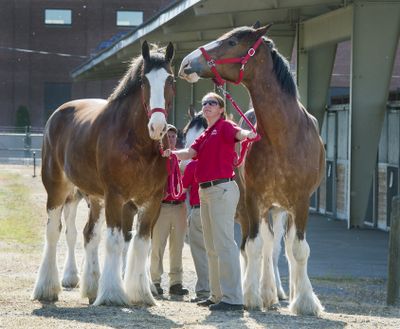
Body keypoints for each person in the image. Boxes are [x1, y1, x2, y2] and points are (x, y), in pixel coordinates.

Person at [162, 92, 256, 311]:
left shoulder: (225, 126)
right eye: (204, 103)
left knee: (224, 244)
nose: (207, 106)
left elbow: (239, 134)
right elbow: (190, 152)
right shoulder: (206, 133)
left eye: (212, 103)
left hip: (221, 189)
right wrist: (171, 153)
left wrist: (248, 134)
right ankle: (216, 295)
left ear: (221, 108)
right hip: (206, 192)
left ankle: (233, 298)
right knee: (211, 246)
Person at [150, 124, 189, 296]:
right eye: (168, 136)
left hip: (179, 206)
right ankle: (155, 281)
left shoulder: (181, 157)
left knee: (177, 246)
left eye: (173, 136)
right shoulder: (158, 159)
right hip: (162, 206)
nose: (171, 139)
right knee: (157, 245)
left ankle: (176, 283)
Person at [182, 159, 210, 302]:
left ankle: (205, 290)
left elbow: (183, 188)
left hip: (198, 210)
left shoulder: (192, 165)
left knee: (200, 252)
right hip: (217, 210)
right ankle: (221, 290)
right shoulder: (217, 162)